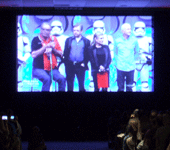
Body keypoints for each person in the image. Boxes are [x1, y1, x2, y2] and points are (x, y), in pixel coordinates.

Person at [31, 22, 66, 92]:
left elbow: (61, 54)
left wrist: (53, 49)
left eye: (48, 30)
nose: (46, 32)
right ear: (41, 30)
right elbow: (33, 55)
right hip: (38, 69)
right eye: (44, 29)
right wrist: (46, 46)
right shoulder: (35, 40)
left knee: (62, 79)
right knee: (47, 79)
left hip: (52, 69)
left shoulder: (54, 39)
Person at [63, 23, 90, 91]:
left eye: (77, 30)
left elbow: (88, 54)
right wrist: (66, 63)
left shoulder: (86, 41)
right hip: (70, 65)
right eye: (74, 30)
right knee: (69, 84)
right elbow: (65, 52)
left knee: (81, 85)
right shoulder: (68, 40)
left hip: (80, 65)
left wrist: (85, 63)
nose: (75, 32)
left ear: (81, 31)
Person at [114, 23, 139, 92]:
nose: (130, 30)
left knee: (129, 88)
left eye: (130, 29)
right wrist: (118, 62)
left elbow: (137, 52)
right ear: (123, 31)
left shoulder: (134, 40)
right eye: (128, 29)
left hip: (131, 68)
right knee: (120, 88)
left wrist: (133, 60)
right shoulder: (117, 40)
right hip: (120, 67)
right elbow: (115, 53)